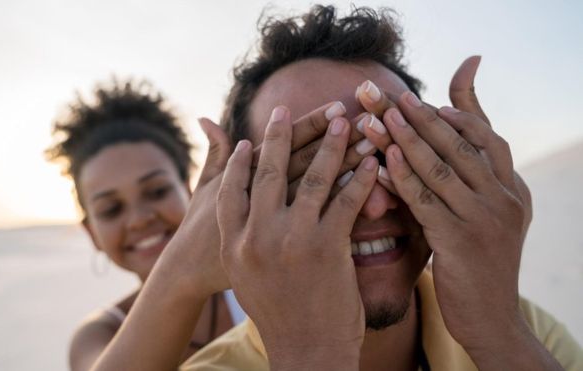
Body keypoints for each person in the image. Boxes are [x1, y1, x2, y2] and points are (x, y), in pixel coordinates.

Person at [181, 5, 583, 370]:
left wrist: (498, 335)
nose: (373, 204)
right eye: (314, 175)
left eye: (395, 159)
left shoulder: (525, 336)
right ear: (242, 205)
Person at [44, 79, 237, 370]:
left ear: (189, 192)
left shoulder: (252, 281)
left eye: (157, 191)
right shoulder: (99, 336)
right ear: (91, 233)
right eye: (111, 209)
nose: (139, 219)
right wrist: (183, 271)